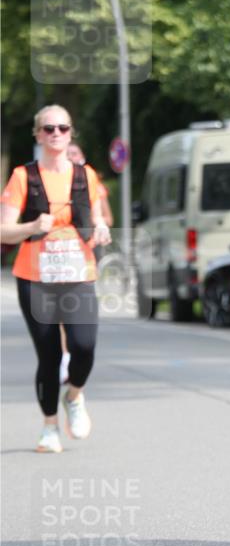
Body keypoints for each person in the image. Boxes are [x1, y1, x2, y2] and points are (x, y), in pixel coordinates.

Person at [0, 105, 111, 453]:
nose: (56, 134)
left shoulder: (86, 175)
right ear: (37, 135)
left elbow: (95, 218)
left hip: (78, 275)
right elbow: (3, 228)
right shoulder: (22, 176)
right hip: (36, 278)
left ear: (70, 133)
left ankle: (74, 395)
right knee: (48, 355)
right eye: (48, 129)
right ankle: (49, 428)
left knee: (84, 346)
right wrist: (32, 227)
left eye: (62, 128)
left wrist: (103, 228)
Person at [61, 143, 114, 384]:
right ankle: (64, 356)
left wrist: (97, 227)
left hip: (86, 251)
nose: (71, 157)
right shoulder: (52, 180)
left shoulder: (91, 182)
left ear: (82, 158)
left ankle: (74, 351)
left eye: (75, 154)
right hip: (59, 253)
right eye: (68, 154)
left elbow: (106, 217)